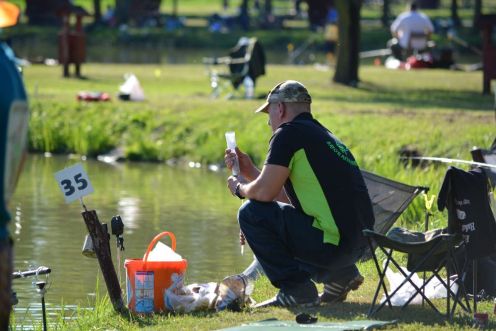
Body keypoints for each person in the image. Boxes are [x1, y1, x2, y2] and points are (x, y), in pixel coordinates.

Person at [224, 80, 375, 307]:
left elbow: (264, 194)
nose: (268, 121)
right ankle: (340, 277)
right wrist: (249, 171)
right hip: (359, 246)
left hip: (334, 245)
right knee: (264, 214)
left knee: (250, 213)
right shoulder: (324, 135)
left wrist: (239, 187)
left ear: (281, 108)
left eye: (269, 112)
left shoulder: (287, 134)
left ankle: (297, 290)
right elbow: (282, 198)